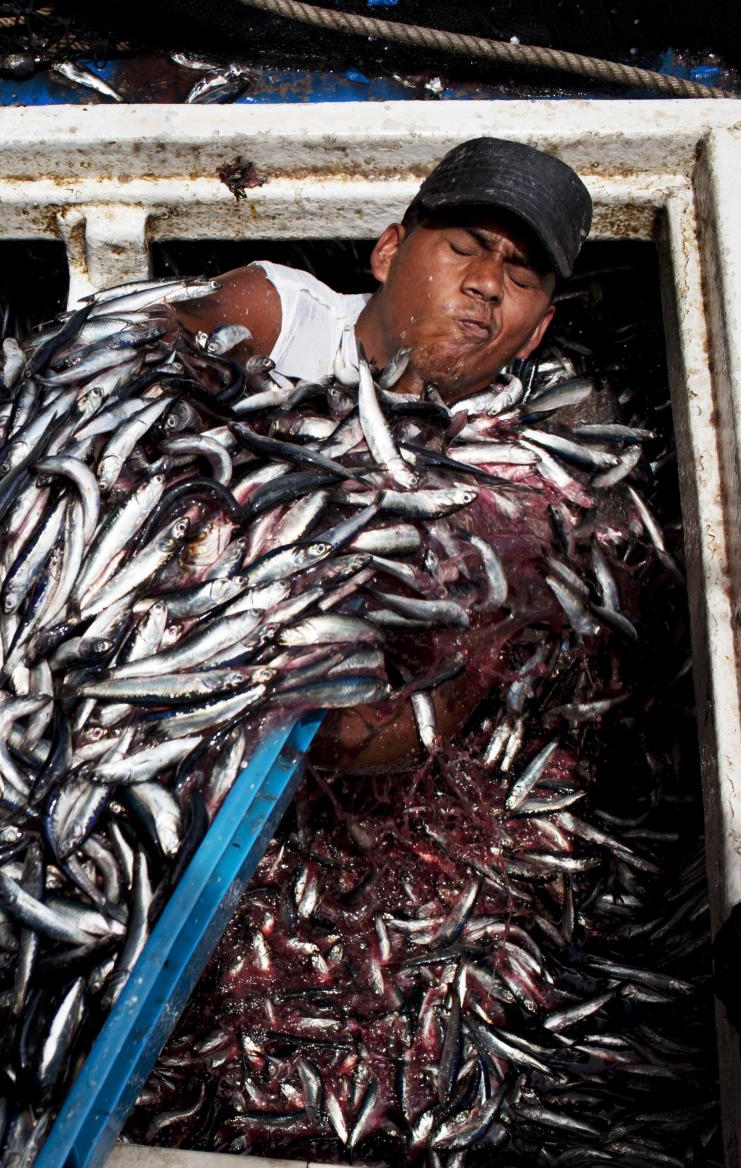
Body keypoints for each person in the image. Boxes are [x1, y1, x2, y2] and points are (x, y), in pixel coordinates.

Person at [168, 137, 594, 769]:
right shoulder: (274, 317)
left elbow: (410, 723)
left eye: (521, 275)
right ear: (389, 252)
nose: (486, 284)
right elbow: (123, 367)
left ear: (537, 331)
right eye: (462, 248)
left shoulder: (518, 484)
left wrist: (229, 694)